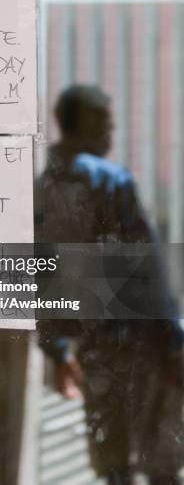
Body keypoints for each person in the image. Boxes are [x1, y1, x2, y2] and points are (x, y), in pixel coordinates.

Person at [36, 85, 184, 485]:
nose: (112, 131)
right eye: (105, 123)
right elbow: (147, 265)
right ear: (84, 125)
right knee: (160, 454)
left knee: (113, 457)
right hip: (139, 336)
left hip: (93, 342)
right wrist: (173, 336)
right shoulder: (110, 181)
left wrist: (56, 348)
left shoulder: (43, 186)